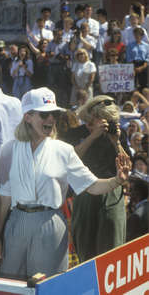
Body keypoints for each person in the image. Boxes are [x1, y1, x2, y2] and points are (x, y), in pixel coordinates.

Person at [0, 87, 131, 279]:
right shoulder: (8, 149)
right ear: (28, 116)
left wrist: (117, 180)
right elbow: (4, 197)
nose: (50, 120)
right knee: (11, 285)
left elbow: (92, 185)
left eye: (54, 114)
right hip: (16, 222)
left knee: (50, 286)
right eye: (44, 114)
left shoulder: (63, 150)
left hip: (50, 222)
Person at [63, 96, 132, 262]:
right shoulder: (76, 133)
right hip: (85, 190)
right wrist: (92, 136)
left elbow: (127, 165)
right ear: (90, 117)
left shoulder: (116, 134)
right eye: (100, 118)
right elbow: (68, 159)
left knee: (112, 247)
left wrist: (116, 142)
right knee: (86, 247)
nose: (105, 123)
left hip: (112, 191)